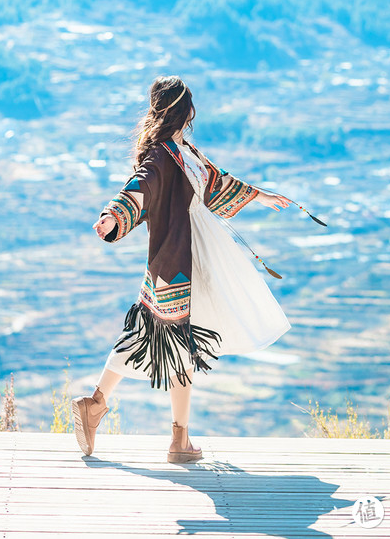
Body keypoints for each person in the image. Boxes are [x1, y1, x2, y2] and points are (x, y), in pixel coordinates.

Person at [71, 74, 295, 462]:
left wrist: (260, 195)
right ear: (184, 109)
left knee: (164, 338)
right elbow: (138, 188)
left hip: (192, 256)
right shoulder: (161, 154)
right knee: (173, 341)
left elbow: (215, 183)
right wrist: (112, 215)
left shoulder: (181, 149)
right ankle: (172, 437)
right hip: (181, 260)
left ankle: (106, 408)